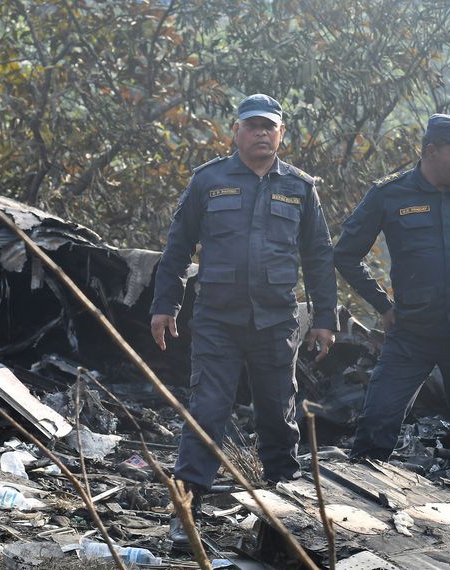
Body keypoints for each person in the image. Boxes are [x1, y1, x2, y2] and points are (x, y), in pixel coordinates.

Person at [150, 93, 337, 549]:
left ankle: (284, 516)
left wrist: (325, 318)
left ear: (281, 134)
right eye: (252, 125)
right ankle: (185, 514)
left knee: (278, 415)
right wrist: (164, 305)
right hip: (217, 319)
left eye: (268, 127)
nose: (260, 133)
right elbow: (177, 249)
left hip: (275, 322)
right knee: (208, 412)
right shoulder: (208, 181)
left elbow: (318, 257)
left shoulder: (300, 187)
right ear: (235, 131)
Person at [334, 114, 450, 485]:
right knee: (376, 425)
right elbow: (345, 254)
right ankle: (355, 515)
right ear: (430, 151)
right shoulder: (389, 194)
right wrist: (382, 305)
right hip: (412, 332)